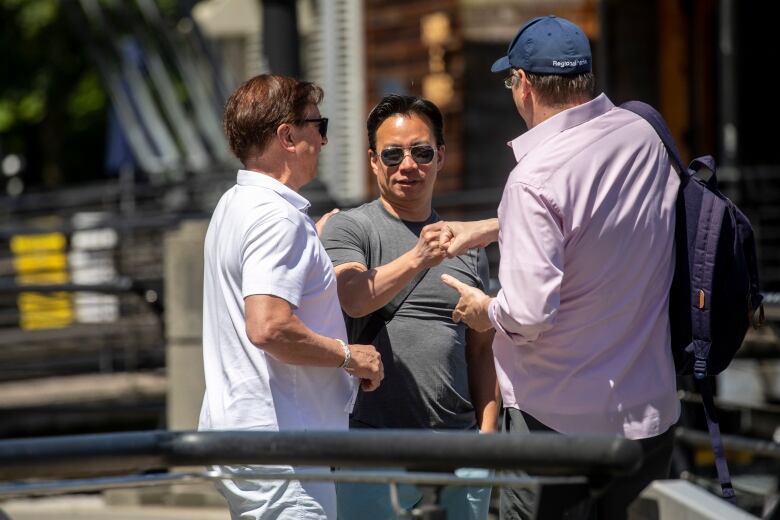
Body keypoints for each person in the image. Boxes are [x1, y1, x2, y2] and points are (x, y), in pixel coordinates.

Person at [438, 16, 680, 520]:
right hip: (650, 416)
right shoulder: (643, 134)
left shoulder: (534, 179)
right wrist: (492, 226)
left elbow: (528, 315)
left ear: (523, 85)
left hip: (557, 429)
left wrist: (484, 309)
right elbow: (602, 224)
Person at [197, 74, 384, 520]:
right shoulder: (276, 219)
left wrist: (309, 247)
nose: (323, 140)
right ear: (287, 135)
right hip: (284, 449)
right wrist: (349, 356)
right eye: (318, 125)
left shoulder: (235, 204)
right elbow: (268, 327)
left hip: (248, 437)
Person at [320, 94, 499, 520]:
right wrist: (419, 256)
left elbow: (481, 349)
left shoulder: (467, 245)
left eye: (420, 152)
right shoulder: (352, 226)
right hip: (373, 448)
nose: (408, 165)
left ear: (440, 156)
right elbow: (354, 296)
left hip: (459, 450)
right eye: (392, 153)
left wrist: (488, 440)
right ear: (373, 160)